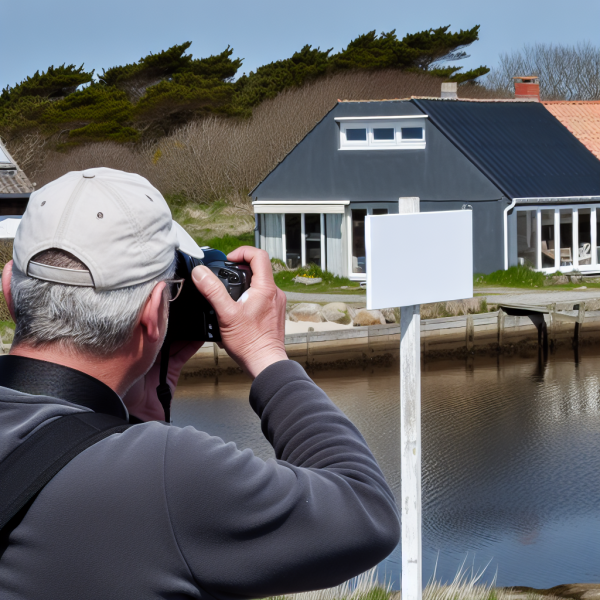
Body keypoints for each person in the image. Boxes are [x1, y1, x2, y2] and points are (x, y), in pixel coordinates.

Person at [0, 168, 399, 599]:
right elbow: (366, 513)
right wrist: (266, 354)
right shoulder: (163, 475)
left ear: (9, 291)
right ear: (155, 313)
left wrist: (137, 413)